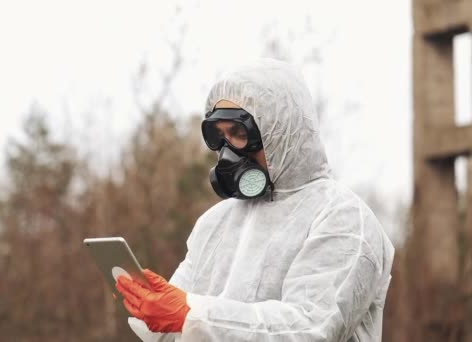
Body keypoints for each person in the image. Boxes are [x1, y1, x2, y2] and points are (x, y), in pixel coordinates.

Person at [115, 58, 395, 341]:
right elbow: (176, 328)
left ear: (282, 131)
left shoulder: (343, 217)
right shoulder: (216, 223)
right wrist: (152, 310)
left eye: (238, 133)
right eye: (219, 136)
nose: (228, 153)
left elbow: (310, 328)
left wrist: (192, 315)